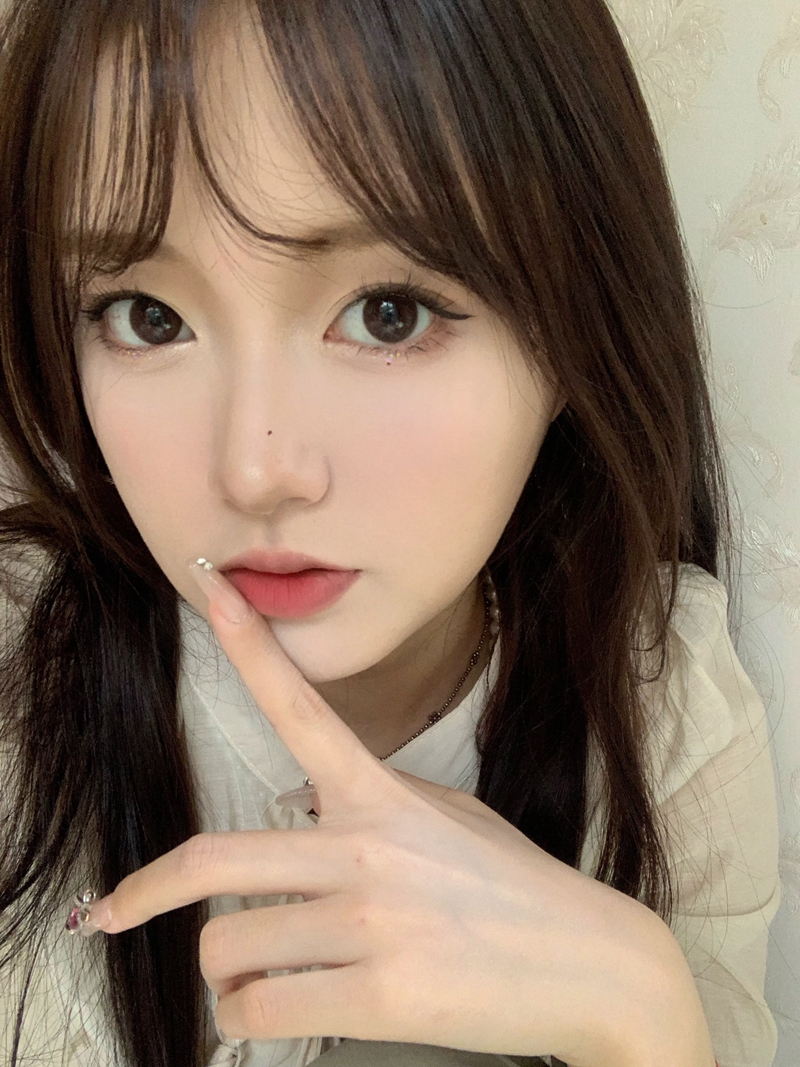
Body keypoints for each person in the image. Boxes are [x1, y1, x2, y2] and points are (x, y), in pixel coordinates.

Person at [0, 0, 781, 1064]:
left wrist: (646, 1013)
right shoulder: (22, 674)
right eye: (149, 315)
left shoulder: (663, 711)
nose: (255, 469)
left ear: (574, 333)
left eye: (388, 312)